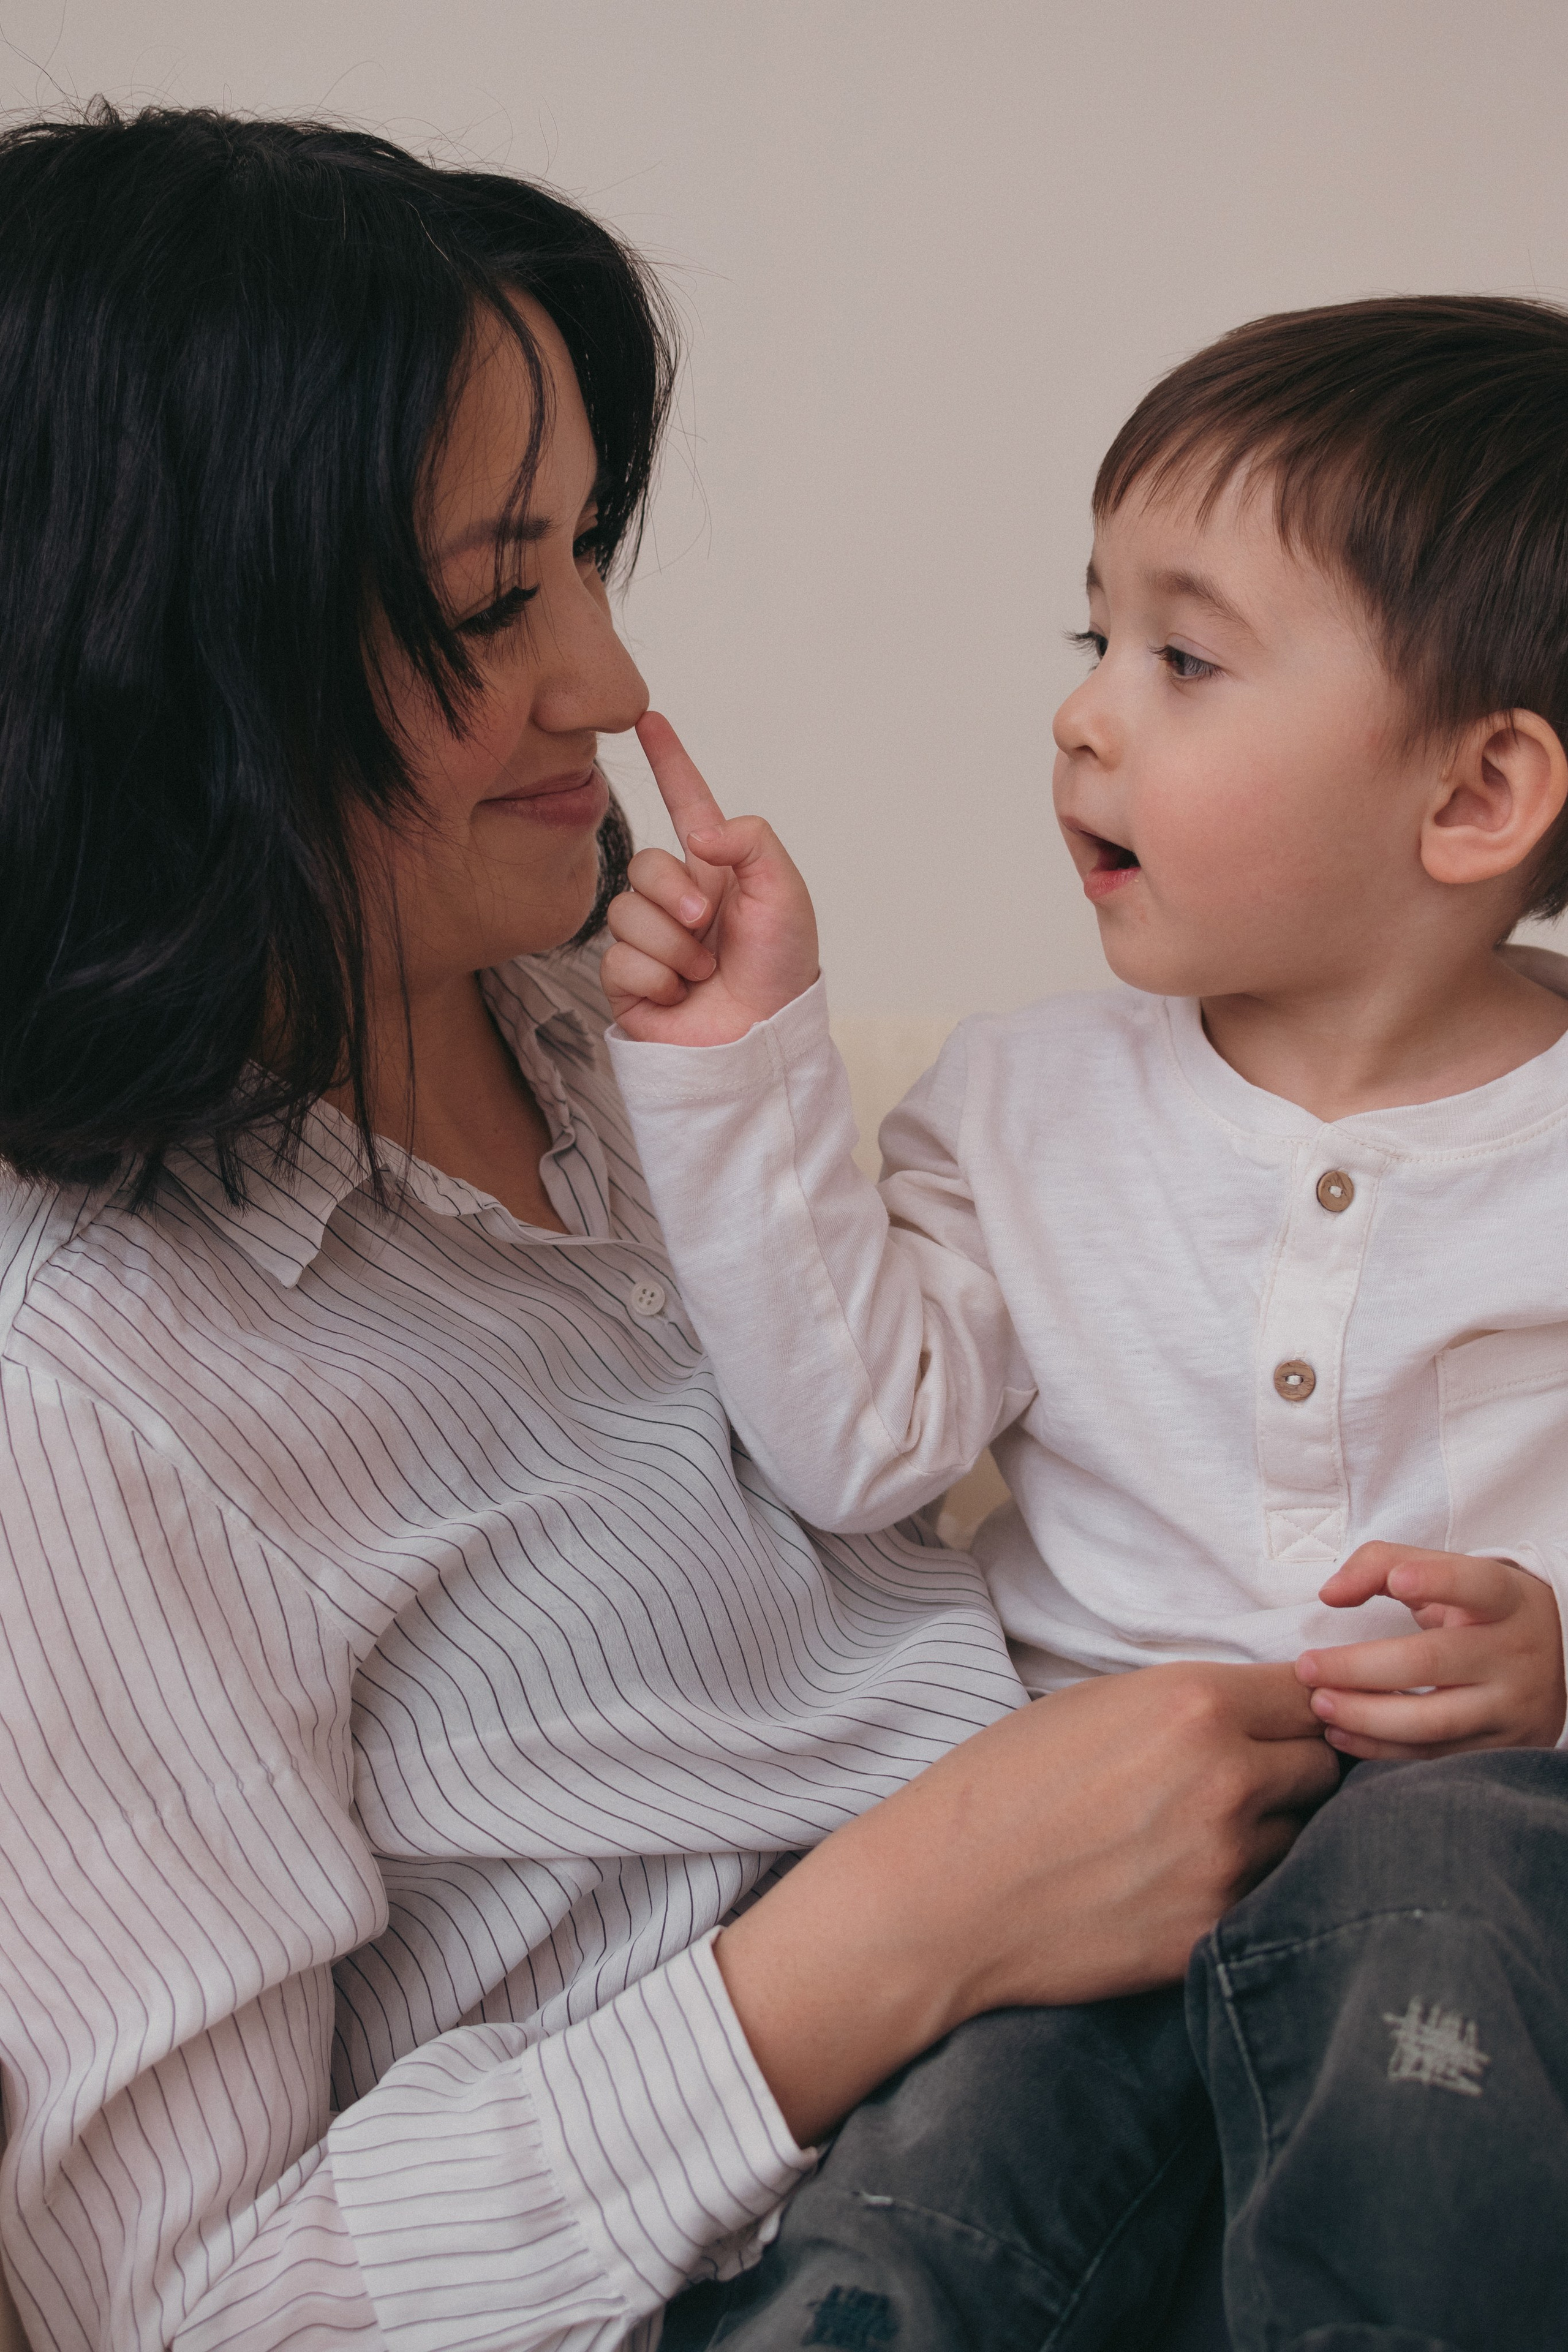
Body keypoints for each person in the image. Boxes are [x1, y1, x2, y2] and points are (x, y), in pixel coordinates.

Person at [0, 107, 1336, 2352]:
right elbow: (202, 2305)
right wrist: (898, 1931)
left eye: (587, 558)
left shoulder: (622, 1019)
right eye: (493, 602)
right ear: (169, 671)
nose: (614, 685)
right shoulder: (86, 1392)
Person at [603, 298, 1568, 2348]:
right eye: (1093, 637)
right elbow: (860, 1442)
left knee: (1444, 1994)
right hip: (1095, 1871)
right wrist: (739, 1070)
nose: (1083, 716)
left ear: (1479, 792)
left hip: (1482, 1877)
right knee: (923, 2208)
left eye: (1183, 660)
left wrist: (1554, 1654)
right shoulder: (1023, 1097)